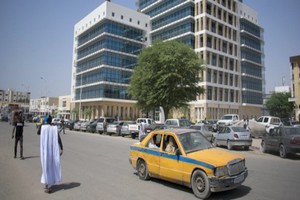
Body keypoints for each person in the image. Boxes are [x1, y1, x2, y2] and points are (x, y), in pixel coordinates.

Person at [40, 115, 63, 193]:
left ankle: (48, 185)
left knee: (46, 166)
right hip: (52, 152)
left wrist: (42, 123)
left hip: (45, 151)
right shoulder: (54, 128)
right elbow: (58, 138)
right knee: (52, 166)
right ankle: (49, 183)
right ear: (51, 120)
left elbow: (38, 133)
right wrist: (61, 148)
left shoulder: (42, 127)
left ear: (45, 120)